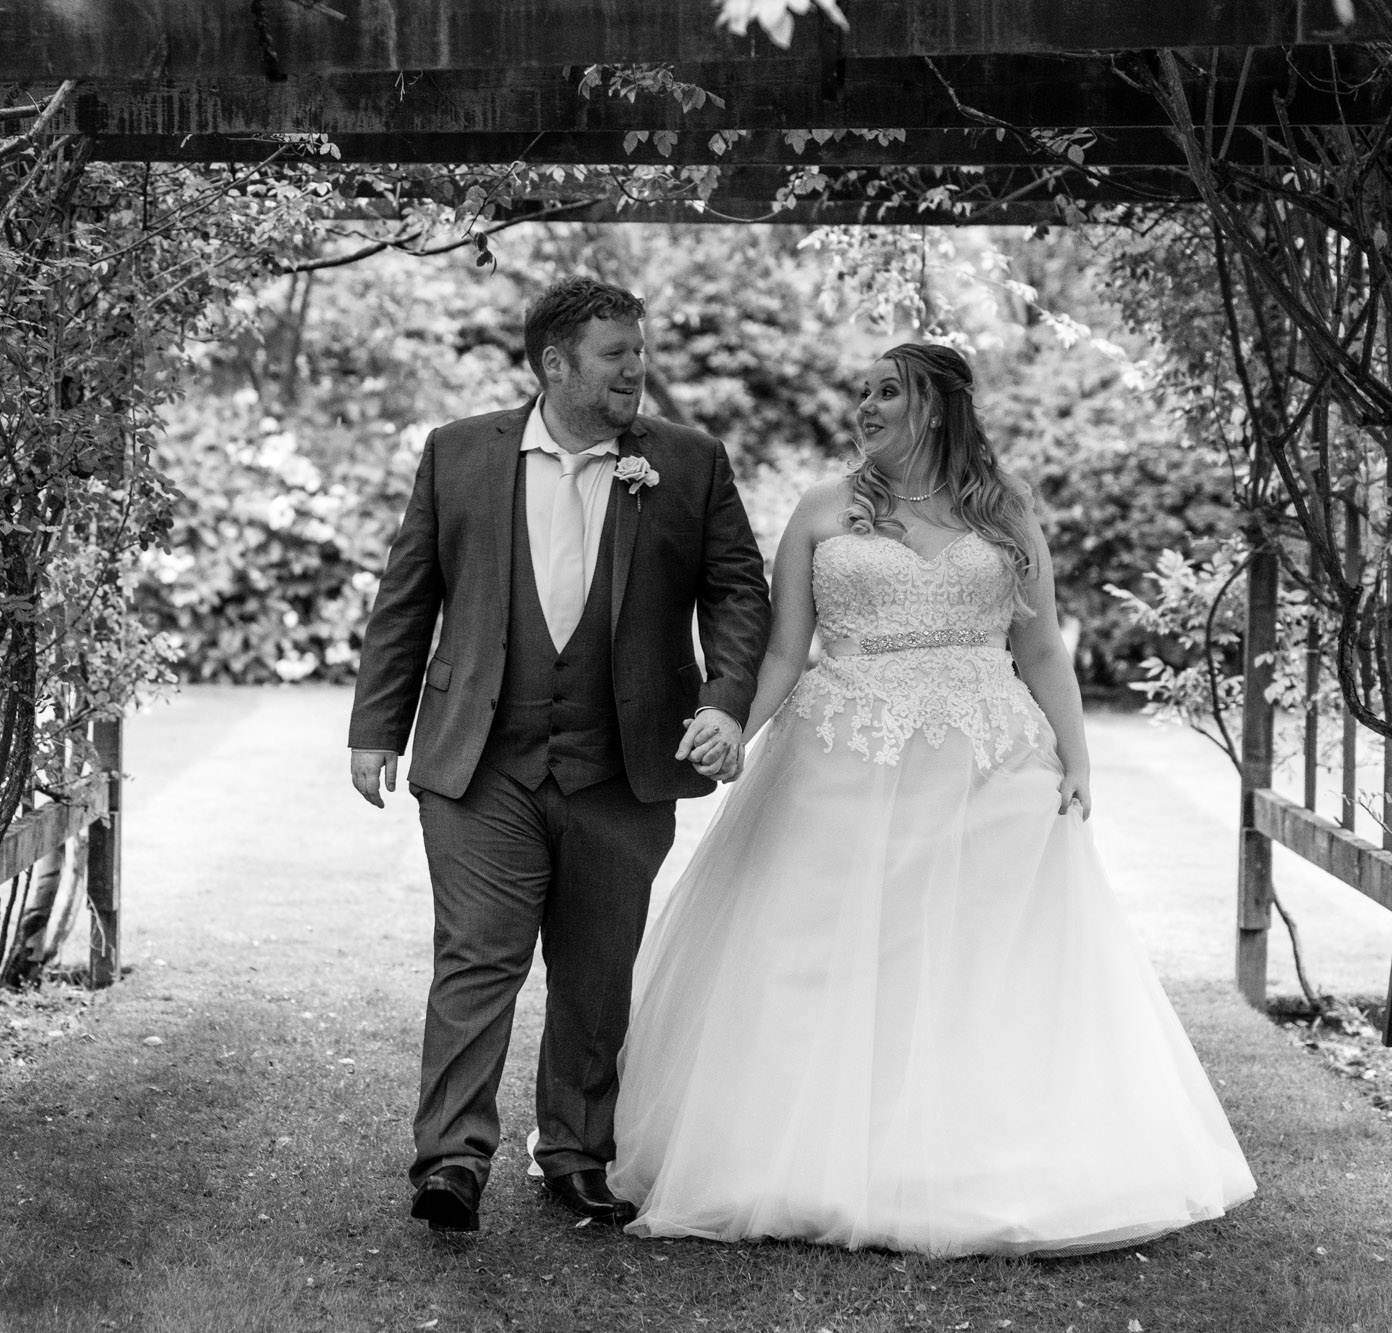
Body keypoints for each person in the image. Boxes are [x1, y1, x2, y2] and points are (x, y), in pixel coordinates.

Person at [606, 343, 1256, 1256]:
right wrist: (733, 732)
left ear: (939, 407)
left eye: (887, 392)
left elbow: (1042, 653)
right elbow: (787, 653)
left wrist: (1075, 761)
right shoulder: (823, 509)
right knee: (818, 954)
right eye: (861, 391)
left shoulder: (1004, 509)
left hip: (989, 762)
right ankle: (806, 1155)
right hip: (842, 756)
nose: (865, 406)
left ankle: (972, 1156)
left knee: (975, 961)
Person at [347, 276, 772, 1234]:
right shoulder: (459, 453)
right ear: (554, 365)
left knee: (596, 966)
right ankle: (451, 1161)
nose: (638, 369)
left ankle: (576, 1153)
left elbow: (739, 593)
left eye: (640, 350)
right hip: (480, 761)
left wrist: (727, 702)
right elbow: (407, 595)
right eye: (617, 353)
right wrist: (376, 724)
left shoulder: (689, 463)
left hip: (623, 765)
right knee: (477, 959)